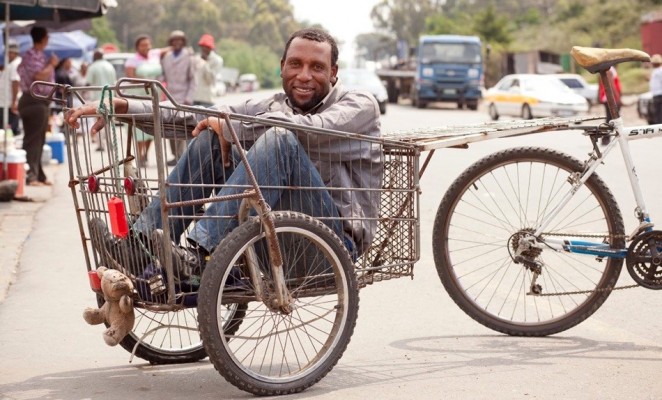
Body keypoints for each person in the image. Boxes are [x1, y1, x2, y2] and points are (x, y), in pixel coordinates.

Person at [66, 27, 382, 281]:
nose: (304, 75)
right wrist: (123, 107)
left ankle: (201, 254)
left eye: (317, 67)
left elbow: (314, 130)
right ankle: (139, 247)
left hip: (330, 247)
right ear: (282, 67)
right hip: (272, 239)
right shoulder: (272, 106)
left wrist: (233, 128)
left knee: (278, 139)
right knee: (211, 133)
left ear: (334, 73)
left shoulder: (359, 105)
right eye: (296, 64)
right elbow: (192, 115)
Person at [17, 26, 58, 186]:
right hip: (33, 101)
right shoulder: (31, 55)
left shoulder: (40, 56)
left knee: (39, 140)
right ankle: (31, 175)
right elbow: (39, 76)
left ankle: (38, 174)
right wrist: (52, 65)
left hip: (41, 102)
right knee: (33, 140)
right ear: (43, 38)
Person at [124, 34, 163, 166]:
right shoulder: (132, 60)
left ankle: (145, 153)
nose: (146, 47)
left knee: (152, 126)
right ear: (137, 47)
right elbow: (131, 78)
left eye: (148, 44)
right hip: (137, 96)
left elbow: (168, 49)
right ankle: (139, 155)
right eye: (143, 45)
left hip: (153, 96)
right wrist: (145, 82)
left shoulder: (155, 55)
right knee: (139, 127)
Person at [161, 30, 196, 166]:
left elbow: (193, 79)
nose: (177, 42)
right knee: (169, 127)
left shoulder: (189, 57)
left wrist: (189, 97)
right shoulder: (167, 57)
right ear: (171, 42)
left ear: (183, 42)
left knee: (181, 127)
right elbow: (163, 76)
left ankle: (181, 156)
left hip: (183, 97)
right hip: (169, 95)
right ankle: (175, 155)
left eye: (179, 40)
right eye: (174, 40)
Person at [85, 48, 117, 151]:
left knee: (98, 121)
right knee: (109, 120)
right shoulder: (110, 66)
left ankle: (101, 145)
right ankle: (111, 143)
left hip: (97, 98)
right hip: (110, 97)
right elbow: (114, 81)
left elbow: (88, 82)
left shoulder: (92, 67)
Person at [193, 33, 223, 108]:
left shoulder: (217, 60)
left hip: (208, 98)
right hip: (195, 97)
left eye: (206, 47)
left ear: (211, 48)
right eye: (202, 47)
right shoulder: (197, 58)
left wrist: (205, 63)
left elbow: (210, 80)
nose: (204, 49)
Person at [0, 40, 21, 136]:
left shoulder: (15, 64)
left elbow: (15, 83)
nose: (7, 55)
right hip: (4, 103)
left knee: (10, 132)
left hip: (9, 104)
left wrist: (14, 102)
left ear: (14, 52)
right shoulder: (9, 64)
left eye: (9, 52)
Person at [598, 66, 621, 145]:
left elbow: (599, 83)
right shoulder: (609, 70)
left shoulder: (603, 68)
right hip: (611, 99)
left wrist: (599, 96)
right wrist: (617, 98)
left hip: (608, 98)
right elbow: (611, 85)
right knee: (612, 119)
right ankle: (606, 138)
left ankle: (606, 138)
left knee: (610, 119)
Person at [650, 54, 662, 125]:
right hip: (657, 95)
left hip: (659, 95)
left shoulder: (660, 71)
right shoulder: (656, 71)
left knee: (659, 115)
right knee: (657, 114)